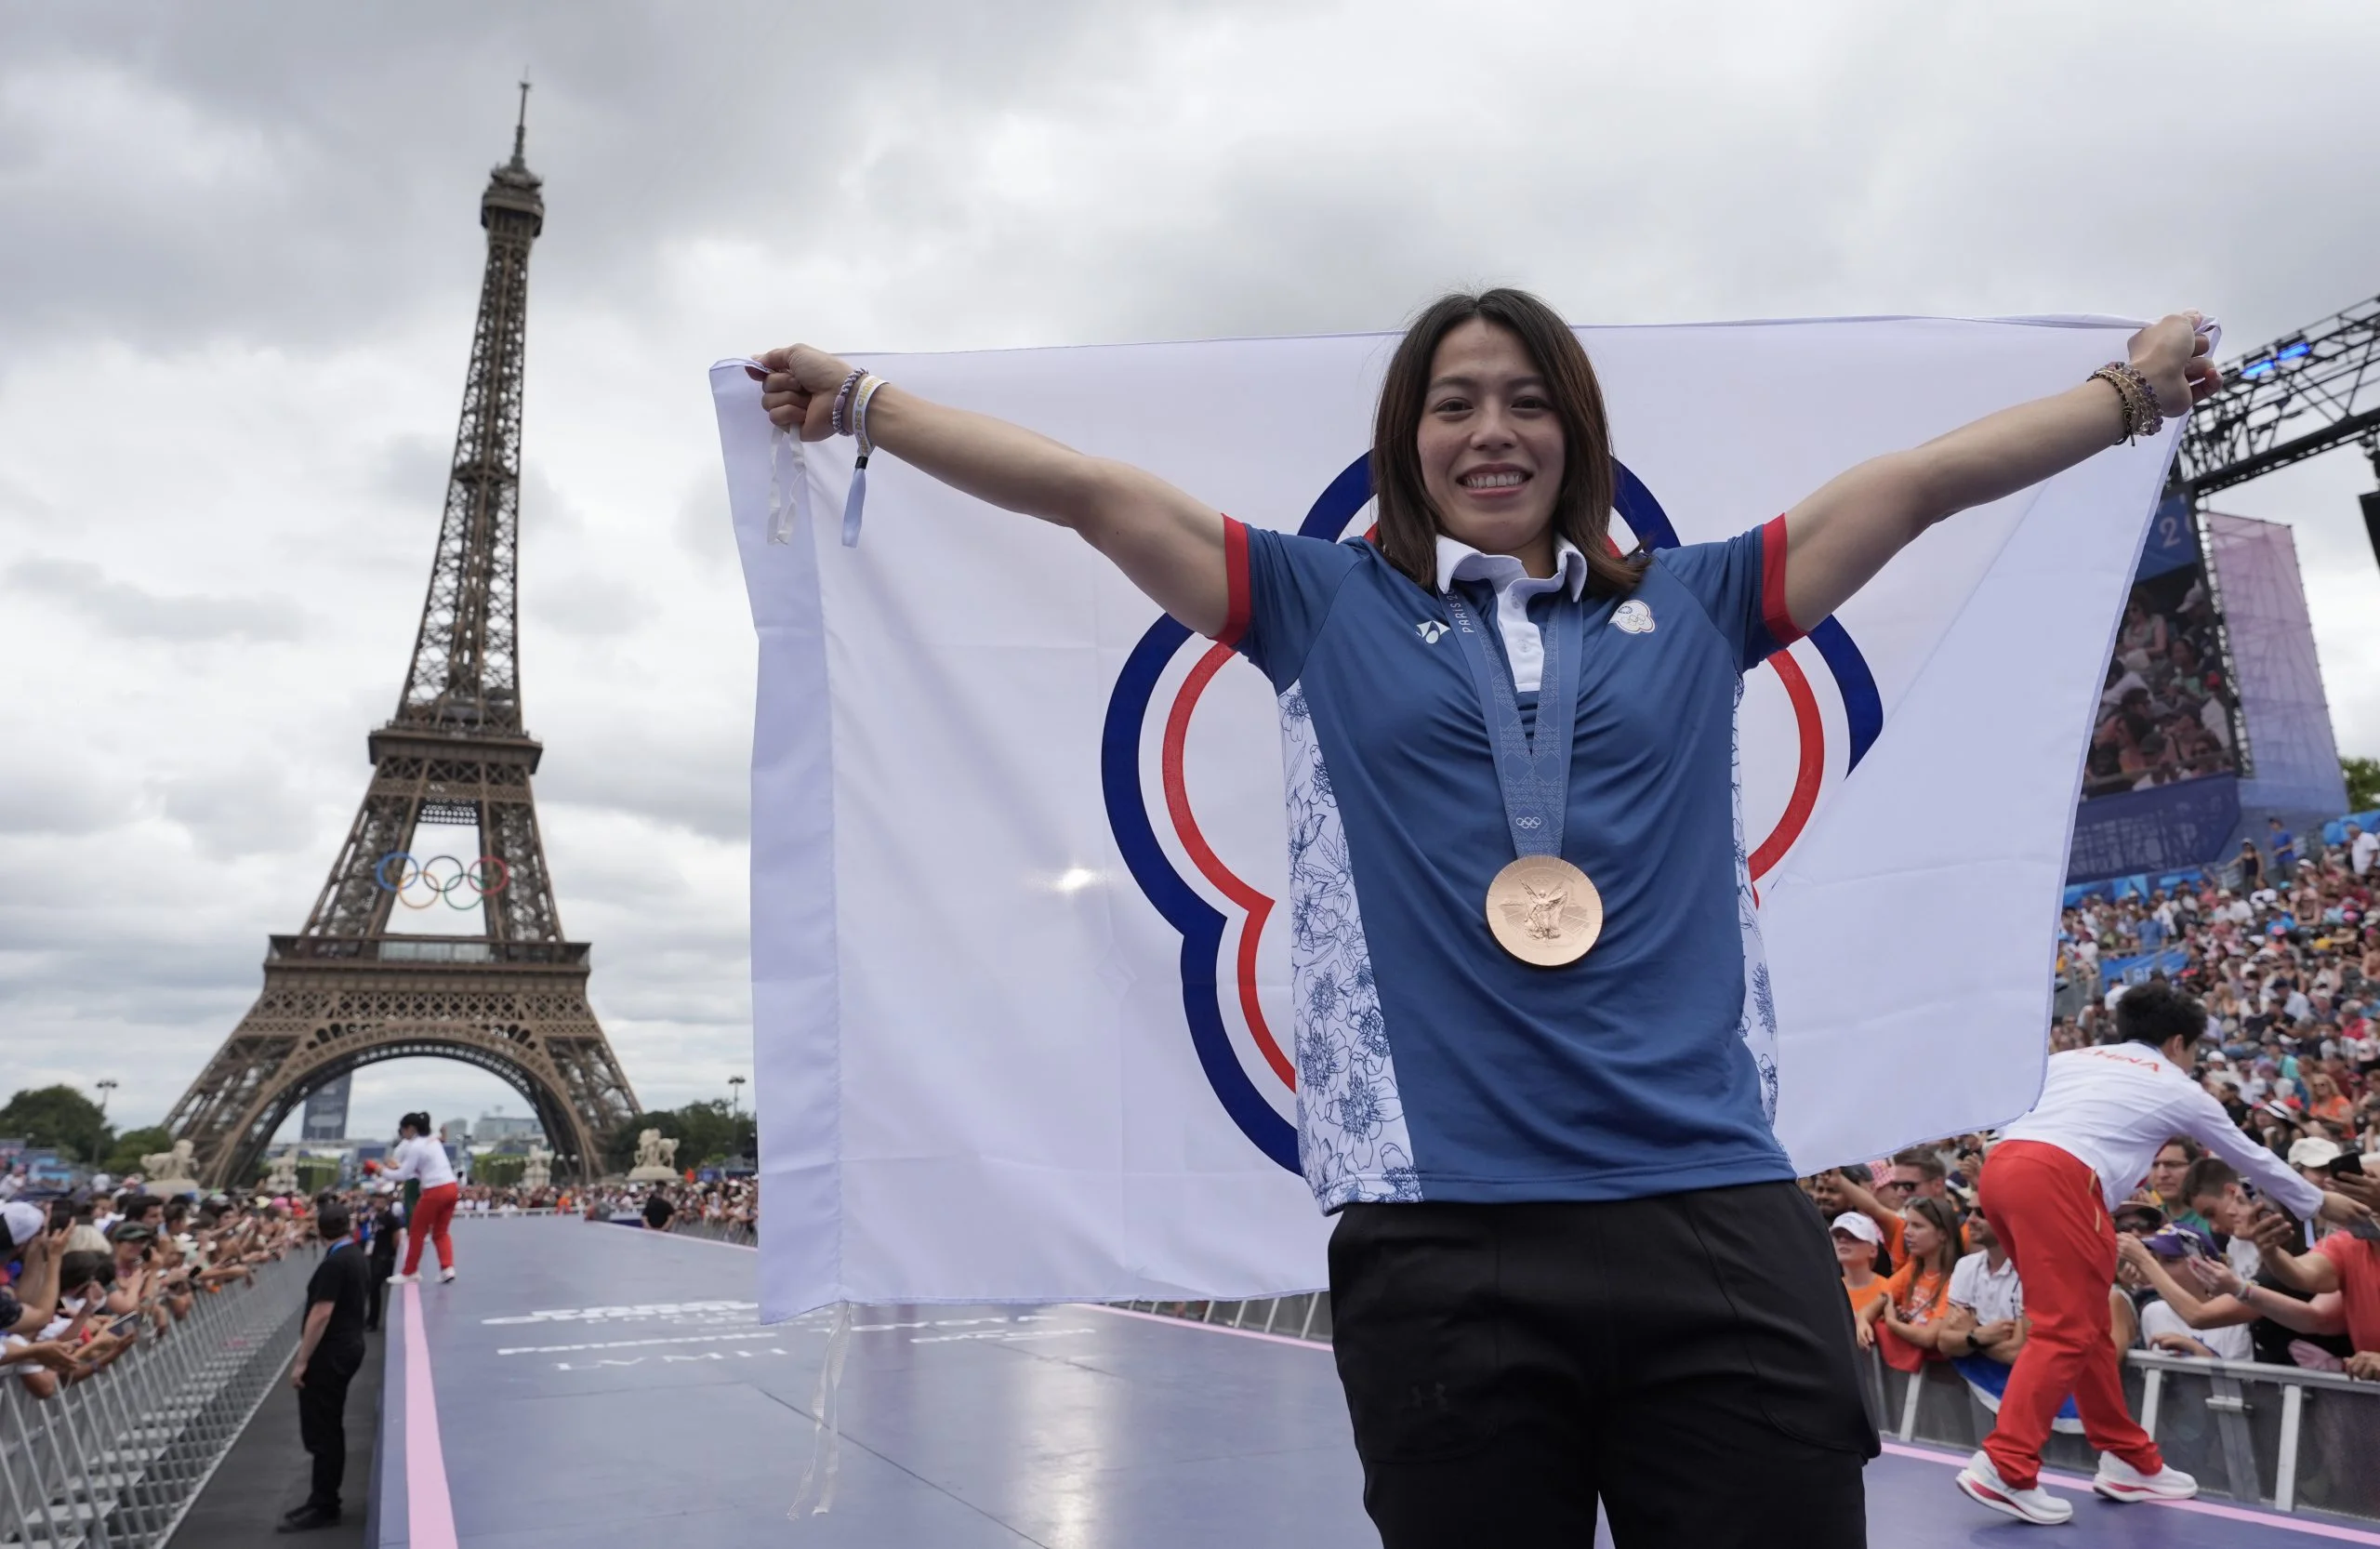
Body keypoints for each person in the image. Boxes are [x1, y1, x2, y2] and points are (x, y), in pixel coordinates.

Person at [754, 292, 2222, 1547]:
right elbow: (1091, 492)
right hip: (1441, 1235)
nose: (1492, 430)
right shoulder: (1316, 605)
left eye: (1527, 400)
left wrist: (2131, 394)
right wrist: (870, 404)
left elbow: (1913, 484)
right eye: (1453, 404)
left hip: (1708, 1213)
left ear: (1577, 433)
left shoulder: (1701, 602)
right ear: (1409, 443)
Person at [1959, 982, 2376, 1524]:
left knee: (2082, 1326)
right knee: (2065, 1329)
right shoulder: (2178, 1086)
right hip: (2058, 1180)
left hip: (2003, 1172)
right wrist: (2321, 1201)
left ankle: (2130, 1459)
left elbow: (2015, 1124)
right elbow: (2248, 1156)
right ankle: (2006, 1465)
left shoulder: (2071, 1060)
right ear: (2179, 1042)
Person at [282, 1201, 369, 1533]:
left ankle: (324, 1503)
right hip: (347, 1347)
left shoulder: (334, 1264)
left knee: (323, 1430)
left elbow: (321, 1314)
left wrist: (301, 1361)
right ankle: (323, 1498)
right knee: (329, 1428)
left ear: (320, 1230)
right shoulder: (355, 1256)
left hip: (330, 1353)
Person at [384, 1113, 458, 1286]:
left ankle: (410, 1271)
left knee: (417, 1231)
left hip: (434, 1190)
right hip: (451, 1187)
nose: (401, 1133)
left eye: (402, 1129)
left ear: (411, 1128)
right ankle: (447, 1268)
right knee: (441, 1232)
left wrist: (379, 1171)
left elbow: (402, 1174)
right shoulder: (432, 1140)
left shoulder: (414, 1146)